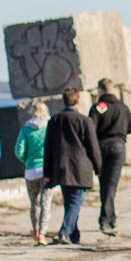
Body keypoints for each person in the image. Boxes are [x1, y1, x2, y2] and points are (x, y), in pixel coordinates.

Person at [43, 87, 101, 245]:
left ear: (64, 101)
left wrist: (47, 171)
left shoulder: (54, 120)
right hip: (80, 168)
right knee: (75, 201)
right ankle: (64, 232)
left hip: (60, 167)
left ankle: (73, 235)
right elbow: (93, 147)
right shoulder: (85, 121)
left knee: (70, 201)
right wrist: (99, 168)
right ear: (78, 101)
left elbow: (47, 148)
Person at [89, 79, 131, 237]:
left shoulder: (97, 108)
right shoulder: (123, 107)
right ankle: (110, 217)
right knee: (111, 184)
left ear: (100, 90)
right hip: (119, 147)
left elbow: (90, 128)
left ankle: (106, 219)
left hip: (101, 148)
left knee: (105, 184)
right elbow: (130, 127)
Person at [13, 100, 52, 243]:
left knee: (34, 202)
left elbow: (19, 151)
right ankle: (42, 233)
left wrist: (27, 161)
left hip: (30, 170)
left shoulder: (26, 128)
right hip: (46, 169)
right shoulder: (49, 127)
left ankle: (35, 231)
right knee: (45, 201)